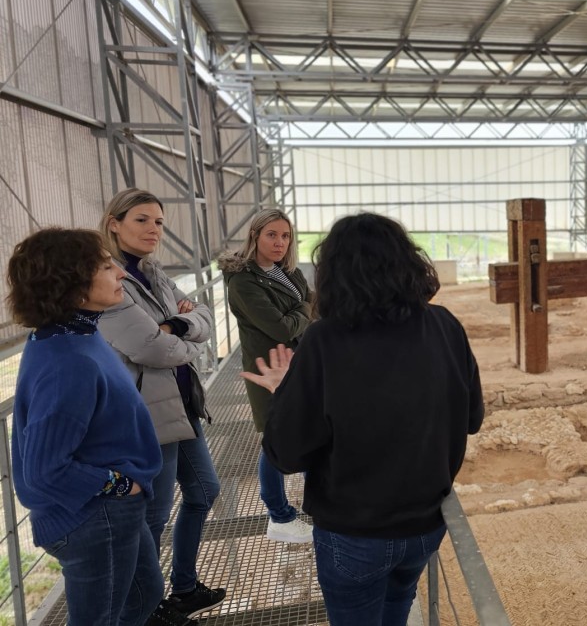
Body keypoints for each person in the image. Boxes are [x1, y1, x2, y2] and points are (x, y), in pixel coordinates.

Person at [242, 212, 484, 625]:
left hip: (354, 533)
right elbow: (472, 417)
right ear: (408, 261)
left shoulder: (325, 339)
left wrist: (285, 390)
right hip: (425, 524)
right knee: (397, 611)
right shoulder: (444, 324)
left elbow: (286, 453)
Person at [7, 228, 164, 626]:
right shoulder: (68, 362)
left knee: (145, 594)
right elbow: (44, 471)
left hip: (115, 508)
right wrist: (119, 485)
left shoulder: (74, 333)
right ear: (74, 286)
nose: (122, 274)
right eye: (105, 266)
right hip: (96, 517)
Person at [99, 189, 225, 625]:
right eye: (142, 220)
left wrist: (177, 324)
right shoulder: (107, 277)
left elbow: (203, 317)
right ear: (114, 222)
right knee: (151, 516)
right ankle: (146, 608)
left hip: (184, 401)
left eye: (159, 222)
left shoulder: (152, 271)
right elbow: (149, 348)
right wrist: (186, 339)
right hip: (149, 410)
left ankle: (184, 587)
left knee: (205, 491)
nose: (154, 229)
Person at [218, 209, 314, 543]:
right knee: (274, 437)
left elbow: (307, 307)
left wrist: (300, 313)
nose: (279, 242)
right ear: (255, 235)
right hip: (269, 366)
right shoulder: (243, 281)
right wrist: (302, 311)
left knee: (306, 428)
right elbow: (279, 327)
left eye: (285, 236)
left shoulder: (288, 271)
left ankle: (315, 503)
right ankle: (279, 515)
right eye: (272, 235)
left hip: (297, 361)